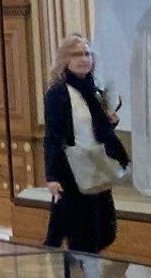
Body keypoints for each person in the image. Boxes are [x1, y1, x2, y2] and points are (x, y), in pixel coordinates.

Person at [43, 34, 130, 257]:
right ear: (65, 60)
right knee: (82, 231)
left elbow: (95, 129)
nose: (84, 59)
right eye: (77, 54)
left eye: (87, 54)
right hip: (72, 169)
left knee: (105, 230)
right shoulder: (58, 93)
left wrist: (110, 121)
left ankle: (83, 263)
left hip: (96, 165)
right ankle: (84, 270)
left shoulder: (93, 90)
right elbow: (53, 136)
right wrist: (52, 176)